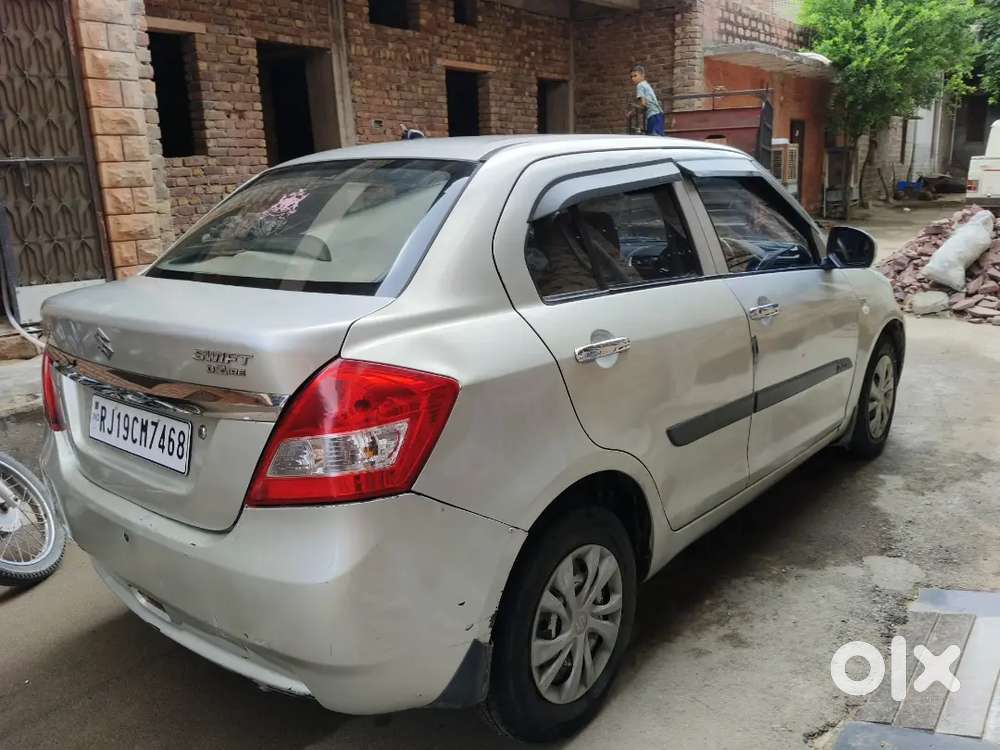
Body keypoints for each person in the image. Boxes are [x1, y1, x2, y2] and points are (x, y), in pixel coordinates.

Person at [629, 64, 664, 136]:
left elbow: (643, 103)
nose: (633, 78)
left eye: (635, 76)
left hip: (653, 114)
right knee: (659, 137)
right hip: (659, 113)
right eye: (631, 77)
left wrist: (633, 112)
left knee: (653, 137)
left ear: (642, 75)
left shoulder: (640, 85)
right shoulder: (646, 84)